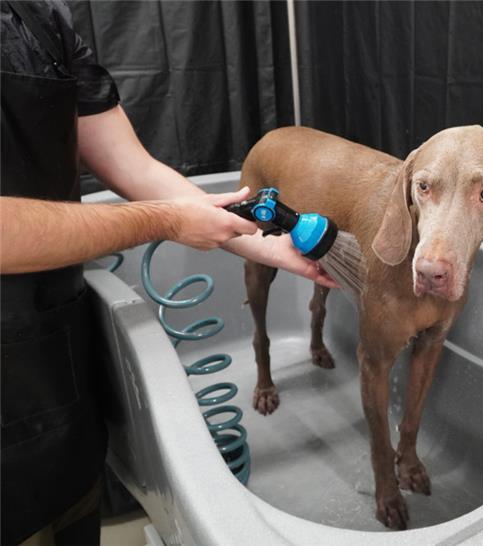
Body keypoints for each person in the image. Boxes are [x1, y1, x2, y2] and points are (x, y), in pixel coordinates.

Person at [0, 2, 335, 544]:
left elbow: (132, 166)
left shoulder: (44, 21)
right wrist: (168, 220)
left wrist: (265, 246)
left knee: (70, 513)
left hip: (55, 375)